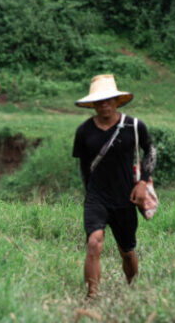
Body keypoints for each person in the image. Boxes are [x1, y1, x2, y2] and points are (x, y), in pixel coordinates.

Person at [71, 74, 156, 298]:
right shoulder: (84, 132)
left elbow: (151, 152)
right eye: (99, 101)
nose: (104, 105)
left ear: (117, 101)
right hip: (96, 198)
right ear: (93, 104)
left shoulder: (134, 126)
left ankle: (132, 289)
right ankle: (92, 296)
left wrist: (142, 182)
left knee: (127, 251)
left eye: (108, 100)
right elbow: (83, 167)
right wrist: (89, 193)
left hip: (125, 197)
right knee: (94, 243)